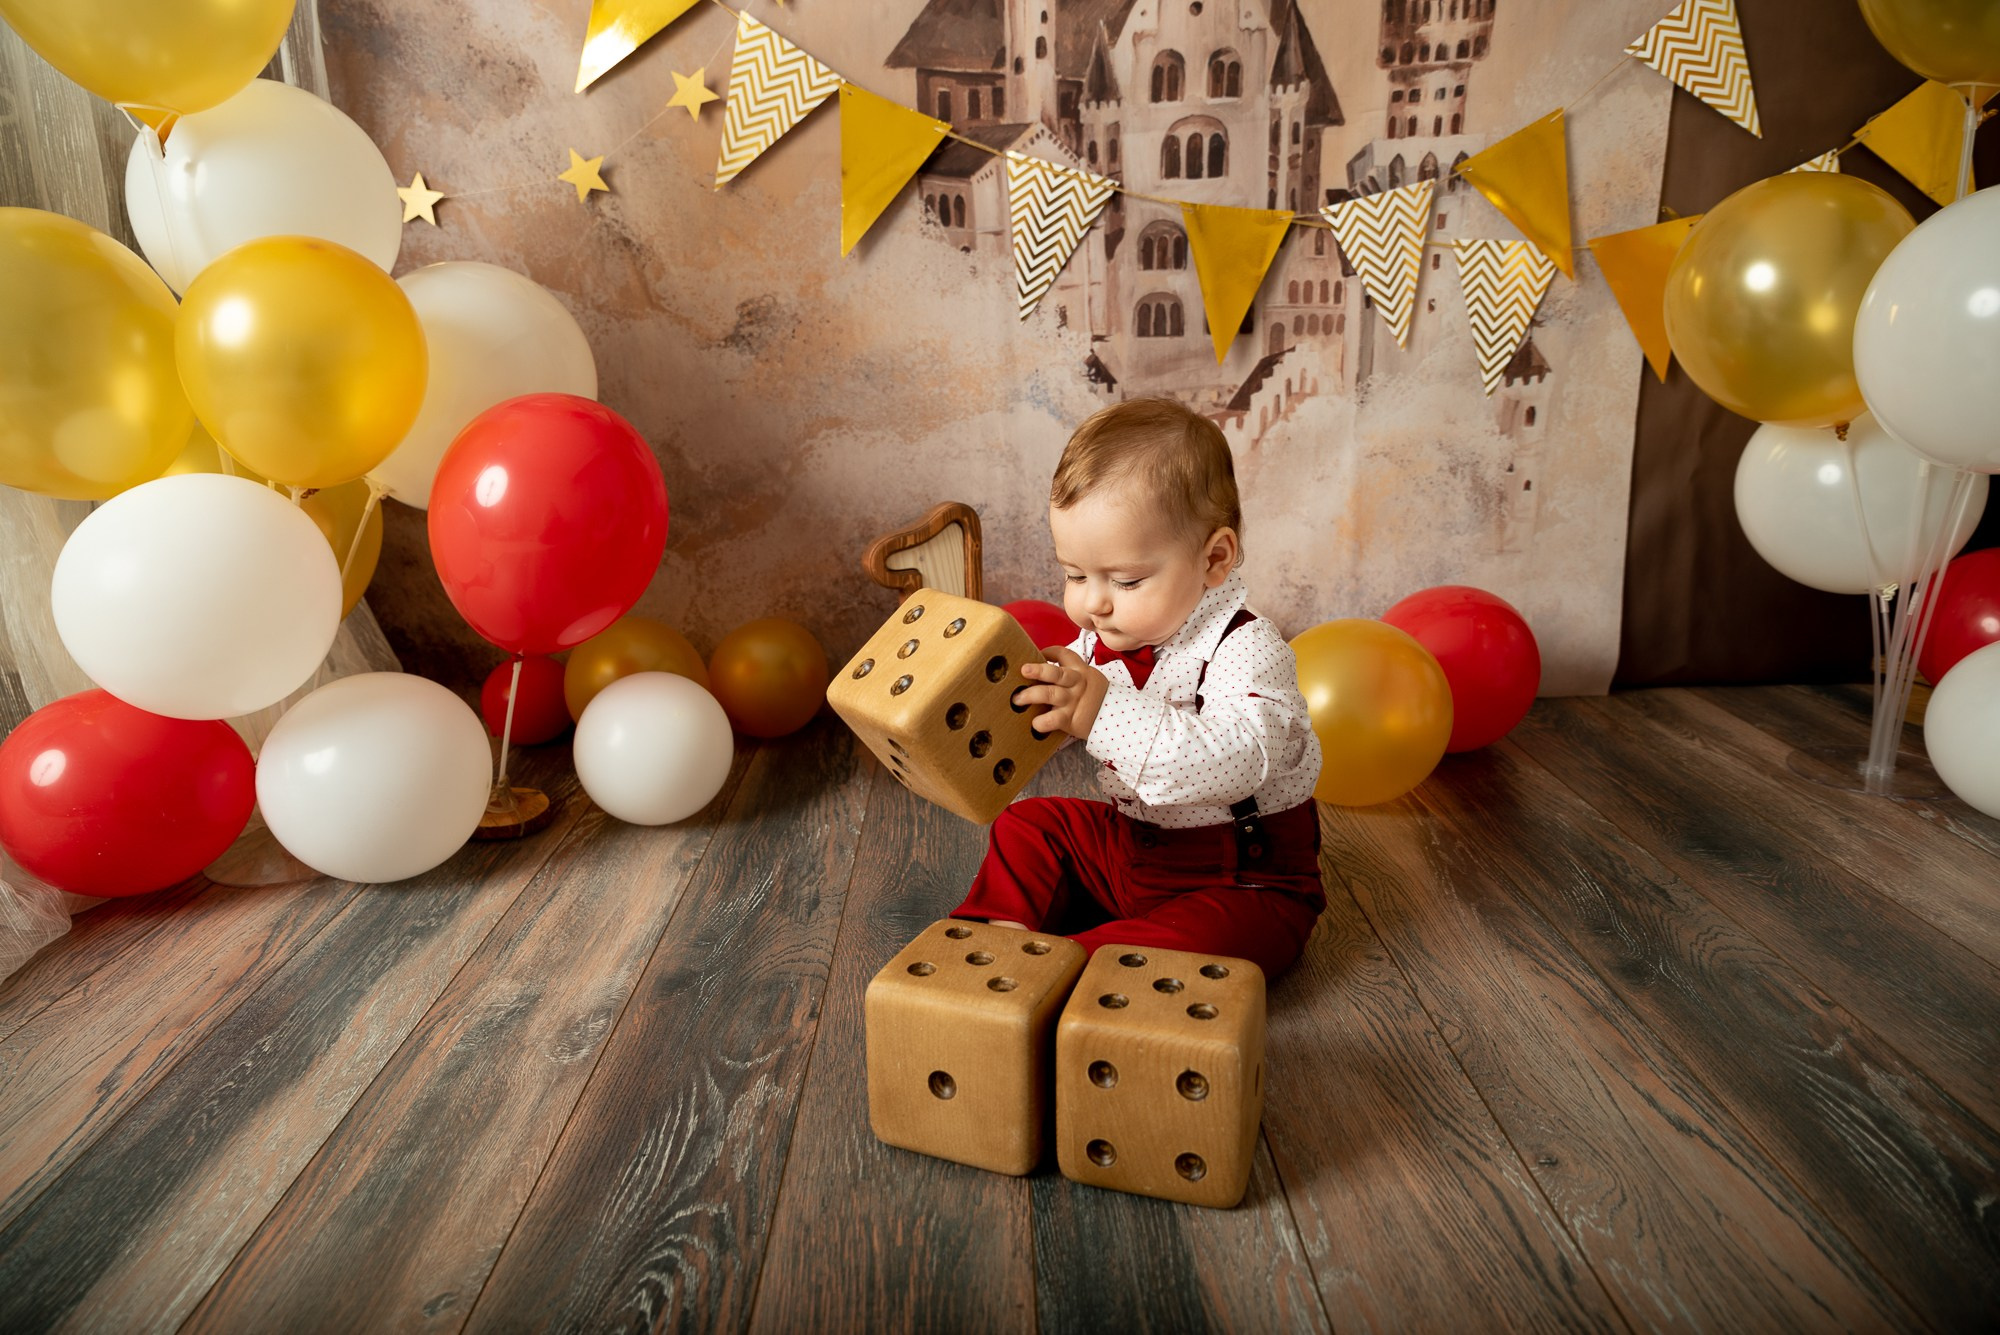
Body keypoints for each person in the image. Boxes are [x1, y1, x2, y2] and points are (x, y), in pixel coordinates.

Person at [950, 398, 1325, 979]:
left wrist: (1099, 713)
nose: (1092, 602)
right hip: (1132, 853)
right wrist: (1016, 704)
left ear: (1214, 559)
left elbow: (1238, 762)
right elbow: (1053, 716)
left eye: (1126, 580)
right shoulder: (1102, 635)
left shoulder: (1248, 648)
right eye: (1074, 575)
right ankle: (999, 939)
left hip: (1243, 881)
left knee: (1192, 942)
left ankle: (1069, 964)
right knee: (1030, 825)